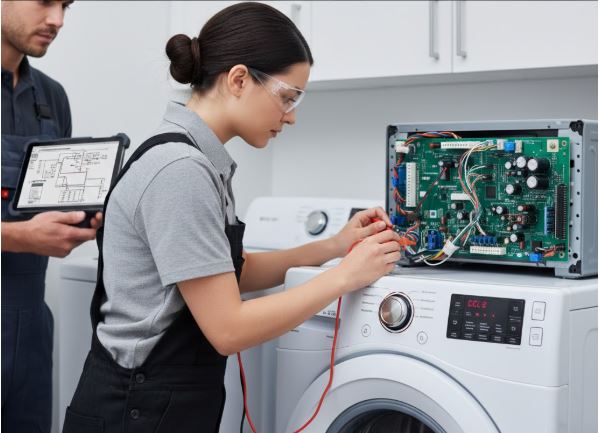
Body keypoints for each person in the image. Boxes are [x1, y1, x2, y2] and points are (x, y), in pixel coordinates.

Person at [63, 3, 401, 432]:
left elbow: (223, 274)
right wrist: (343, 277)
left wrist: (333, 247)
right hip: (136, 409)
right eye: (287, 96)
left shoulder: (199, 160)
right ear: (239, 79)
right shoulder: (180, 170)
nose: (292, 116)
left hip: (159, 404)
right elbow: (228, 328)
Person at [1, 1, 102, 432]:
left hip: (30, 330)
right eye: (44, 1)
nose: (57, 20)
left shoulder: (51, 97)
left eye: (66, 5)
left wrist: (82, 220)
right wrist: (20, 237)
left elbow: (56, 203)